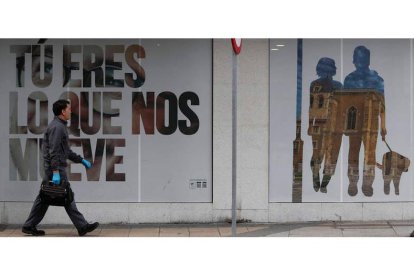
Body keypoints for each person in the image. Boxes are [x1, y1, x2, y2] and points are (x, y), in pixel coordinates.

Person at [22, 99, 99, 236]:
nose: (70, 111)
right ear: (63, 111)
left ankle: (29, 225)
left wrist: (81, 160)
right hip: (55, 168)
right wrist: (56, 171)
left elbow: (66, 151)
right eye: (68, 109)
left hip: (54, 167)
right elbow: (54, 151)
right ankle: (82, 226)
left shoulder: (60, 126)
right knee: (66, 196)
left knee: (44, 197)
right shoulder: (57, 127)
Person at [343, 46, 387, 196]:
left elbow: (382, 105)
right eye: (358, 59)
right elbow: (345, 104)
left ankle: (367, 184)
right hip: (353, 121)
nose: (360, 62)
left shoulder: (377, 80)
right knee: (353, 152)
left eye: (363, 59)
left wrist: (383, 126)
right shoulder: (349, 79)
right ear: (354, 60)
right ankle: (353, 182)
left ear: (368, 60)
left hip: (371, 123)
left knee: (370, 154)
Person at [308, 57, 342, 193]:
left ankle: (323, 183)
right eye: (324, 70)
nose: (326, 74)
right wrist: (311, 124)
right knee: (319, 153)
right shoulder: (315, 84)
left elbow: (341, 107)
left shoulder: (338, 86)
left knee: (331, 154)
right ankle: (317, 179)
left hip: (332, 125)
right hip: (320, 124)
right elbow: (312, 107)